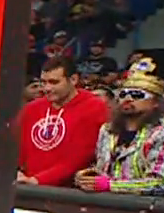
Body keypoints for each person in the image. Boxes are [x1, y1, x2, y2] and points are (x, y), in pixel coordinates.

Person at [73, 62, 164, 197]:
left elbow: (162, 184)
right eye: (123, 94)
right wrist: (89, 177)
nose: (128, 99)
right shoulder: (107, 130)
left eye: (137, 95)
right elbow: (104, 170)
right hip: (109, 204)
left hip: (154, 208)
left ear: (155, 102)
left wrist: (111, 185)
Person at [16, 55, 106, 187]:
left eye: (54, 82)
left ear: (73, 79)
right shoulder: (31, 109)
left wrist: (39, 180)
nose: (47, 88)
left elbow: (79, 158)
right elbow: (16, 150)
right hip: (28, 186)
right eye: (44, 82)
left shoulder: (94, 108)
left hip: (69, 192)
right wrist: (17, 173)